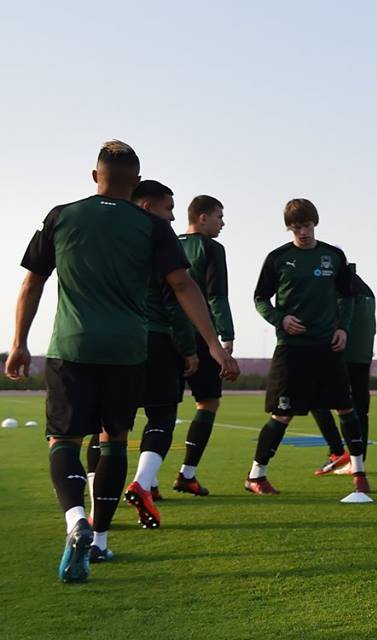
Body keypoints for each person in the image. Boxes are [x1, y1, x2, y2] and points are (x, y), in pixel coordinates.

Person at [5, 140, 238, 582]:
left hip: (71, 347)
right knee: (113, 440)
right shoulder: (151, 226)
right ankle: (100, 539)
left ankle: (76, 520)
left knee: (64, 441)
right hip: (128, 351)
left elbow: (32, 282)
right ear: (136, 181)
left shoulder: (61, 216)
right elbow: (183, 286)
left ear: (96, 176)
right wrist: (213, 344)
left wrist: (18, 342)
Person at [248, 198, 367, 494]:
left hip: (327, 347)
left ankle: (359, 472)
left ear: (315, 223)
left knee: (346, 408)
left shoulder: (333, 256)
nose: (302, 232)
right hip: (292, 349)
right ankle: (256, 476)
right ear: (289, 228)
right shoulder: (278, 258)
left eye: (307, 225)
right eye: (296, 227)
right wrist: (281, 319)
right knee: (282, 414)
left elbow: (348, 296)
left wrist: (343, 328)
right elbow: (260, 299)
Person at [121, 180, 200, 531]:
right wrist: (190, 348)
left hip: (112, 342)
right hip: (154, 338)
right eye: (168, 209)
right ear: (147, 207)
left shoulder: (107, 236)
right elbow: (178, 295)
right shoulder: (159, 238)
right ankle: (143, 482)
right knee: (163, 414)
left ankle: (95, 510)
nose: (171, 218)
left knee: (109, 426)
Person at [174, 195, 234, 496]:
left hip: (164, 334)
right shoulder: (211, 248)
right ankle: (187, 473)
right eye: (219, 216)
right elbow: (216, 295)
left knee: (161, 408)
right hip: (200, 334)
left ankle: (148, 481)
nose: (222, 223)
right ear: (202, 217)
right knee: (208, 401)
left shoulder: (168, 243)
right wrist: (226, 336)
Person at [313, 264, 375, 475]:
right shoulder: (364, 287)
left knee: (316, 399)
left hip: (339, 352)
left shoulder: (336, 284)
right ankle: (358, 460)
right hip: (362, 354)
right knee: (360, 407)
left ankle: (338, 451)